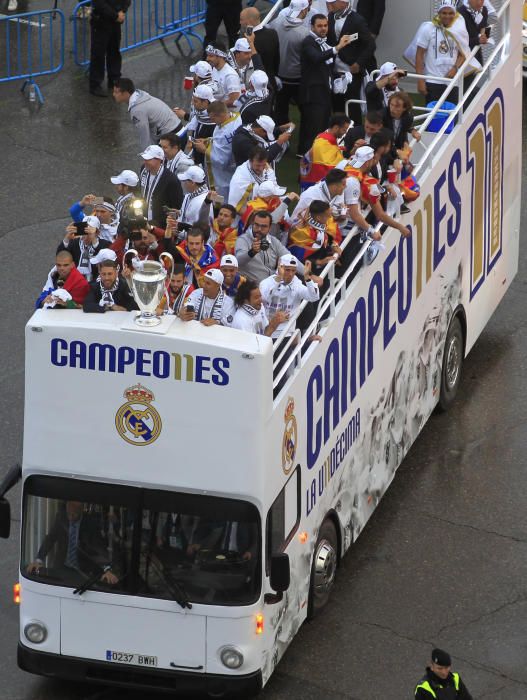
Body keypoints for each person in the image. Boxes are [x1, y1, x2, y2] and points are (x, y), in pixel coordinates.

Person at [298, 14, 353, 156]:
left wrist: (339, 78)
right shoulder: (308, 42)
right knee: (313, 126)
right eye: (319, 26)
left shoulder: (323, 42)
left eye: (325, 25)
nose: (323, 29)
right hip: (313, 93)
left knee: (320, 125)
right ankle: (309, 156)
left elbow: (326, 67)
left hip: (323, 91)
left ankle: (308, 153)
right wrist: (338, 47)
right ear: (312, 26)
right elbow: (317, 58)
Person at [26, 501, 118, 585]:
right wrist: (39, 560)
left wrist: (107, 569)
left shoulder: (90, 524)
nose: (71, 517)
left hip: (83, 572)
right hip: (62, 567)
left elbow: (98, 547)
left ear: (81, 511)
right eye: (69, 513)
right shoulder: (61, 517)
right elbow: (50, 538)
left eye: (74, 514)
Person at [327, 0, 376, 124]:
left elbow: (370, 45)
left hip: (351, 72)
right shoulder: (330, 17)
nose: (330, 4)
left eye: (333, 2)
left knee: (352, 106)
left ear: (343, 3)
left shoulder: (357, 20)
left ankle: (355, 135)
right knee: (337, 105)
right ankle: (338, 135)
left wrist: (358, 64)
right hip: (334, 71)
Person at [411, 1, 467, 104]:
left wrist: (455, 68)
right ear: (439, 13)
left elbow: (463, 54)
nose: (447, 16)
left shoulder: (459, 30)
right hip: (432, 80)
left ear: (455, 14)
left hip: (452, 82)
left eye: (451, 13)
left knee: (451, 116)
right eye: (444, 13)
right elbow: (419, 55)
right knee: (433, 116)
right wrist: (420, 80)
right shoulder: (428, 28)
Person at [269, 0, 311, 126]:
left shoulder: (276, 23)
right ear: (303, 10)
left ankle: (280, 139)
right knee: (305, 111)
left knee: (280, 111)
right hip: (297, 79)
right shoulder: (304, 33)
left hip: (279, 77)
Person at [259, 255, 321, 340]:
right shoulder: (266, 282)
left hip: (287, 334)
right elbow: (263, 298)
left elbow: (314, 297)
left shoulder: (297, 284)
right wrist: (278, 279)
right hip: (266, 331)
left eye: (293, 270)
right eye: (287, 270)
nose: (290, 274)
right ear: (279, 267)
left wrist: (307, 278)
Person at [235, 210, 304, 282]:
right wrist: (252, 252)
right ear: (252, 224)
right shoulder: (242, 240)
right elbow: (238, 262)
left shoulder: (273, 241)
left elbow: (289, 257)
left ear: (269, 227)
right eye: (256, 225)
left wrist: (309, 274)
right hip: (251, 287)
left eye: (263, 226)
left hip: (272, 285)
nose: (259, 229)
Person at [113, 78, 181, 151]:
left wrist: (147, 154)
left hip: (172, 137)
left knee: (159, 161)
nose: (113, 94)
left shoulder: (137, 109)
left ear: (126, 93)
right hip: (178, 130)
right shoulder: (140, 96)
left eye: (116, 92)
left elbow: (144, 135)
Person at [192, 101, 242, 201]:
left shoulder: (224, 134)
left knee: (222, 201)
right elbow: (221, 142)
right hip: (234, 169)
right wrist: (209, 140)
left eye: (212, 118)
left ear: (220, 115)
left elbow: (221, 160)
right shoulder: (237, 117)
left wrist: (204, 150)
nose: (212, 121)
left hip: (223, 177)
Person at [89, 0, 129, 97]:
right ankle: (95, 84)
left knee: (114, 51)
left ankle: (114, 79)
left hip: (115, 22)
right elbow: (99, 4)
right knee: (98, 54)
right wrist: (115, 15)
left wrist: (122, 11)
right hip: (101, 21)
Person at [300, 113, 350, 188]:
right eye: (344, 129)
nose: (345, 132)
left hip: (312, 181)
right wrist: (348, 163)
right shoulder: (324, 141)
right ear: (336, 128)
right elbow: (328, 166)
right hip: (314, 184)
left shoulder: (325, 137)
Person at [139, 144, 183, 227]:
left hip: (160, 224)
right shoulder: (144, 169)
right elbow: (141, 189)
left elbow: (176, 205)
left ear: (159, 160)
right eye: (144, 158)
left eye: (148, 159)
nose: (145, 161)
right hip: (143, 219)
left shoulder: (171, 179)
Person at [58, 216, 112, 282]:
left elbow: (105, 258)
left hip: (96, 282)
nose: (85, 235)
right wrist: (67, 238)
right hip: (75, 282)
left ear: (97, 232)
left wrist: (93, 239)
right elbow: (60, 256)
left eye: (88, 231)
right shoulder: (74, 243)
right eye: (83, 230)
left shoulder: (105, 244)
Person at [240, 6, 280, 90]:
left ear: (248, 22)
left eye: (241, 19)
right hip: (271, 81)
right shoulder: (273, 33)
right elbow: (277, 59)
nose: (240, 22)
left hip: (254, 85)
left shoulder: (245, 41)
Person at [228, 147, 278, 212]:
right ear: (250, 161)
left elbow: (274, 190)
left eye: (263, 164)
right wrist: (257, 218)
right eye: (258, 165)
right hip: (248, 218)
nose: (261, 168)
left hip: (267, 213)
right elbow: (235, 207)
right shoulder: (240, 178)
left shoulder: (267, 168)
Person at [176, 165, 212, 235]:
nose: (183, 183)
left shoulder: (205, 201)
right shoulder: (188, 195)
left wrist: (178, 233)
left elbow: (201, 230)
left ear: (192, 183)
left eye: (185, 180)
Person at [457, 0, 490, 68]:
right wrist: (478, 40)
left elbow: (482, 29)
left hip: (476, 53)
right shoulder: (459, 14)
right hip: (462, 57)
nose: (479, 2)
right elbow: (458, 42)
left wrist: (484, 36)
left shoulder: (484, 10)